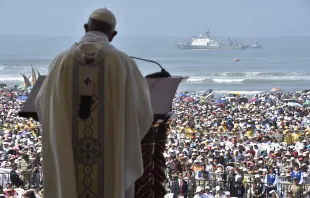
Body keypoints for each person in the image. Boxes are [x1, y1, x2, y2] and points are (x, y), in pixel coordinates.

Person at [34, 7, 153, 198]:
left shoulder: (61, 62)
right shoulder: (122, 62)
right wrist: (122, 139)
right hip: (110, 165)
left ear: (85, 27)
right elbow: (143, 112)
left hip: (69, 160)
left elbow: (42, 104)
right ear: (113, 35)